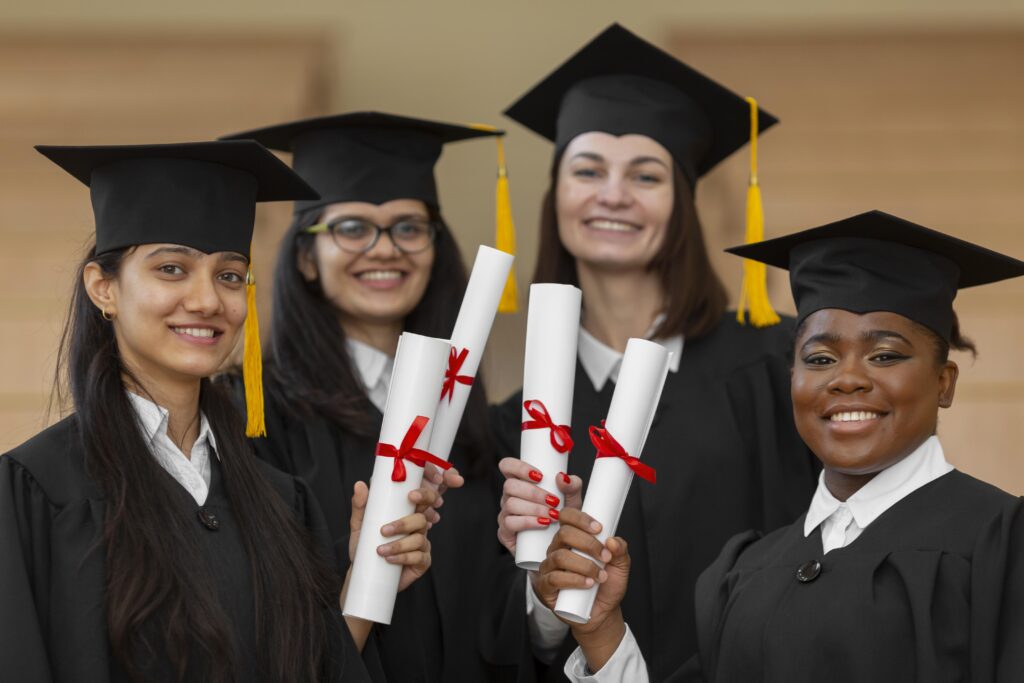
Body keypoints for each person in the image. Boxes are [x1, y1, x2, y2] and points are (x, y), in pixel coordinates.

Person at [0, 141, 441, 682]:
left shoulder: (279, 499)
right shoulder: (37, 492)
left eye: (230, 275)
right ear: (104, 288)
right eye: (171, 268)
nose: (208, 301)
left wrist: (367, 577)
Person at [539, 210, 1024, 682]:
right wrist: (603, 633)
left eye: (885, 355)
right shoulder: (741, 572)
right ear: (791, 378)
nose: (847, 378)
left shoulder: (1002, 544)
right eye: (819, 358)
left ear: (944, 383)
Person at [491, 23, 819, 680]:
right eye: (587, 170)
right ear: (557, 193)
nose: (613, 194)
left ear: (683, 203)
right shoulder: (513, 422)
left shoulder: (774, 365)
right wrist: (547, 599)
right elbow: (497, 642)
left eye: (645, 174)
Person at [219, 113, 520, 681]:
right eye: (352, 228)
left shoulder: (475, 423)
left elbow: (497, 610)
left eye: (409, 227)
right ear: (306, 257)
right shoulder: (254, 421)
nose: (386, 249)